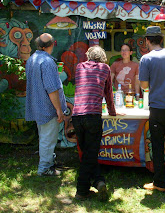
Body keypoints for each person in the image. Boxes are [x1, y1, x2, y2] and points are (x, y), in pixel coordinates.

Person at [72, 45, 119, 201]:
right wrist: (113, 113)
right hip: (92, 115)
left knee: (88, 153)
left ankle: (99, 181)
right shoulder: (105, 68)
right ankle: (82, 190)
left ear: (88, 56)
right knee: (90, 155)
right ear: (103, 57)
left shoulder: (79, 67)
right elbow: (108, 94)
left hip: (77, 115)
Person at [139, 26, 165, 192]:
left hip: (157, 107)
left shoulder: (146, 59)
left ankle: (159, 182)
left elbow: (144, 86)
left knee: (157, 145)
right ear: (162, 40)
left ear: (148, 40)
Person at [25, 33, 67, 176]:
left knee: (45, 137)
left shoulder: (32, 59)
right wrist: (59, 110)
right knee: (48, 140)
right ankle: (44, 169)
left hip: (37, 105)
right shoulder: (47, 62)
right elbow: (52, 89)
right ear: (52, 45)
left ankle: (49, 162)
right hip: (47, 107)